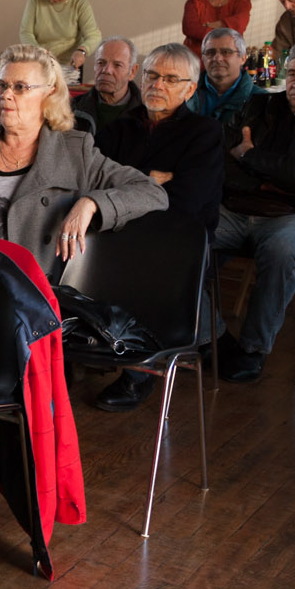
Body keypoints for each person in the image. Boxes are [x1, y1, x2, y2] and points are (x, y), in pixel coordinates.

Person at [0, 43, 167, 276]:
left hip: (9, 286)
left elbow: (151, 192)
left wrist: (92, 203)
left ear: (49, 93)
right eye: (2, 85)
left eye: (20, 87)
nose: (6, 94)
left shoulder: (75, 152)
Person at [92, 43, 224, 410]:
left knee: (145, 260)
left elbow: (185, 200)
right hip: (116, 228)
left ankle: (141, 369)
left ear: (190, 89)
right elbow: (91, 179)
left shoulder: (204, 133)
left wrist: (126, 185)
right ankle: (86, 344)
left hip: (178, 236)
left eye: (170, 79)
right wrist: (151, 179)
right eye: (152, 75)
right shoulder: (120, 127)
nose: (157, 84)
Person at [213, 39, 295, 383]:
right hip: (240, 205)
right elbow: (222, 157)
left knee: (283, 248)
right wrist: (268, 182)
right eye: (293, 74)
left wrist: (252, 156)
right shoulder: (260, 105)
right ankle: (210, 334)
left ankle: (252, 350)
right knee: (182, 231)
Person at [20, 0, 101, 81]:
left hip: (69, 65)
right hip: (41, 62)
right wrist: (39, 52)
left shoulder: (80, 4)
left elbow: (94, 35)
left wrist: (82, 51)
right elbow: (25, 32)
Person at [188, 27, 255, 132]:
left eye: (226, 52)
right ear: (202, 58)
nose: (217, 58)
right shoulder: (185, 93)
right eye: (210, 52)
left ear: (243, 58)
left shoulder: (261, 99)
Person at [73, 37, 142, 132]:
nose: (106, 70)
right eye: (101, 63)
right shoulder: (73, 109)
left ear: (132, 71)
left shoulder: (148, 114)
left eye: (117, 65)